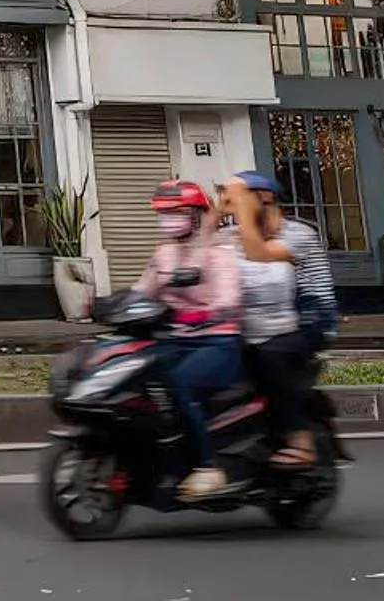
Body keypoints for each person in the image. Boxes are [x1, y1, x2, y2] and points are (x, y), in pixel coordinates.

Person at [132, 179, 243, 500]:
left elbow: (229, 298)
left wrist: (205, 314)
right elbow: (142, 292)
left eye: (176, 212)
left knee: (180, 383)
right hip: (175, 341)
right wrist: (104, 305)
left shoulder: (218, 253)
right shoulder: (164, 254)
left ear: (197, 215)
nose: (168, 219)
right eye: (163, 213)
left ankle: (209, 466)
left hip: (216, 342)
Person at [226, 171, 338, 468]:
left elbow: (259, 254)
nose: (234, 203)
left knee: (271, 355)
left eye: (241, 195)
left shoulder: (296, 232)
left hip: (309, 316)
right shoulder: (238, 232)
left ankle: (299, 438)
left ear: (263, 197)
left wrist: (243, 213)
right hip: (261, 316)